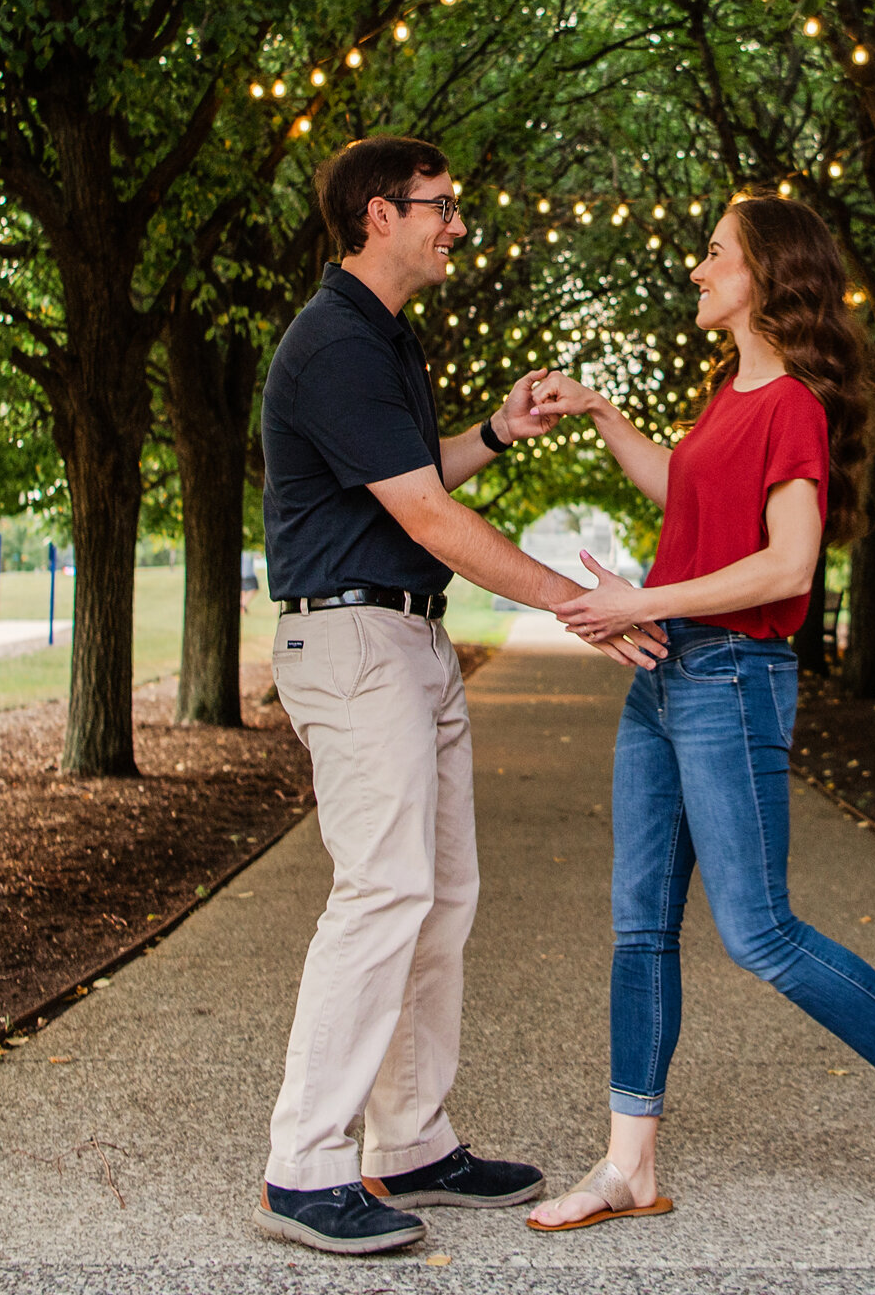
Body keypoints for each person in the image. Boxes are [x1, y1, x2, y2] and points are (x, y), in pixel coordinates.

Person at [527, 195, 875, 1248]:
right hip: (666, 676)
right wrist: (605, 413)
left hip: (732, 674)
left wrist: (638, 601)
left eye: (712, 254)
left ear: (764, 274)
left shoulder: (791, 402)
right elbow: (686, 493)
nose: (696, 270)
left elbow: (787, 564)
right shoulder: (727, 394)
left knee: (759, 931)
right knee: (639, 923)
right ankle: (629, 1164)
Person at [254, 134, 664, 1258]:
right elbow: (430, 519)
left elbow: (413, 478)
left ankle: (410, 1138)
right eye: (438, 206)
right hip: (354, 639)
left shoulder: (386, 337)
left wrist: (492, 431)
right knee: (382, 889)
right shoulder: (334, 340)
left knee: (440, 896)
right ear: (377, 214)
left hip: (408, 636)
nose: (457, 224)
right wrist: (585, 608)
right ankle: (305, 1165)